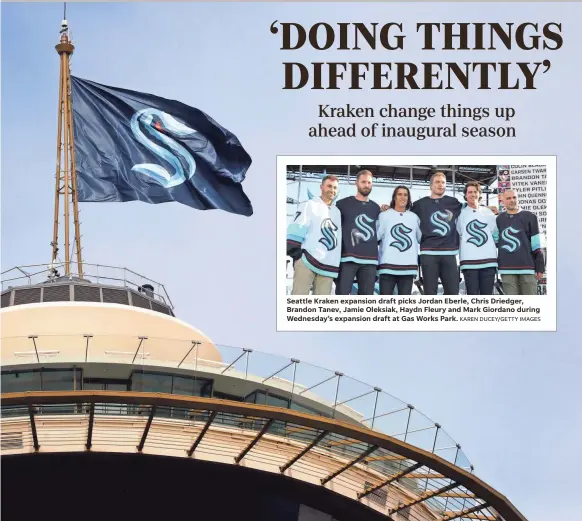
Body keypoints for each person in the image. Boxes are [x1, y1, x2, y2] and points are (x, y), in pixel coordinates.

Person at [286, 175, 342, 295]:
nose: (332, 190)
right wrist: (297, 256)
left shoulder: (337, 212)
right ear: (321, 187)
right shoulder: (309, 204)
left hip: (328, 265)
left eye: (335, 188)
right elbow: (296, 227)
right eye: (329, 186)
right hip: (307, 261)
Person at [411, 171, 463, 295]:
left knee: (453, 292)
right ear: (431, 185)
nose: (441, 185)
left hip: (449, 252)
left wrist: (486, 208)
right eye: (437, 182)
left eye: (443, 182)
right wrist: (388, 208)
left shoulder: (453, 202)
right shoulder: (419, 204)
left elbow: (472, 207)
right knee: (430, 292)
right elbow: (402, 212)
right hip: (429, 253)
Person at [334, 170, 381, 295]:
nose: (366, 185)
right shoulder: (342, 204)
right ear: (356, 183)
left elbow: (380, 233)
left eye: (369, 183)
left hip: (370, 261)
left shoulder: (376, 208)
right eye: (363, 182)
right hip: (347, 259)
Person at [496, 189, 545, 295]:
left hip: (528, 267)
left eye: (514, 197)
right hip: (506, 269)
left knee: (530, 305)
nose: (512, 200)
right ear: (503, 201)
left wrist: (540, 266)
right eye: (508, 198)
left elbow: (538, 244)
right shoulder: (499, 219)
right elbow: (496, 242)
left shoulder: (530, 217)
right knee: (513, 307)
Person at [377, 186, 421, 295]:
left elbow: (420, 238)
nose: (403, 197)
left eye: (405, 195)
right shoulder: (384, 215)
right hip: (387, 267)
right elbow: (376, 237)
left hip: (408, 268)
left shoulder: (414, 217)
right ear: (394, 198)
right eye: (400, 194)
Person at [456, 182, 498, 295]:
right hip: (469, 261)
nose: (473, 194)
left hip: (489, 261)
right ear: (465, 195)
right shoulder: (460, 214)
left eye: (475, 192)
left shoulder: (489, 213)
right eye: (470, 192)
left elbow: (495, 235)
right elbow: (459, 232)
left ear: (480, 194)